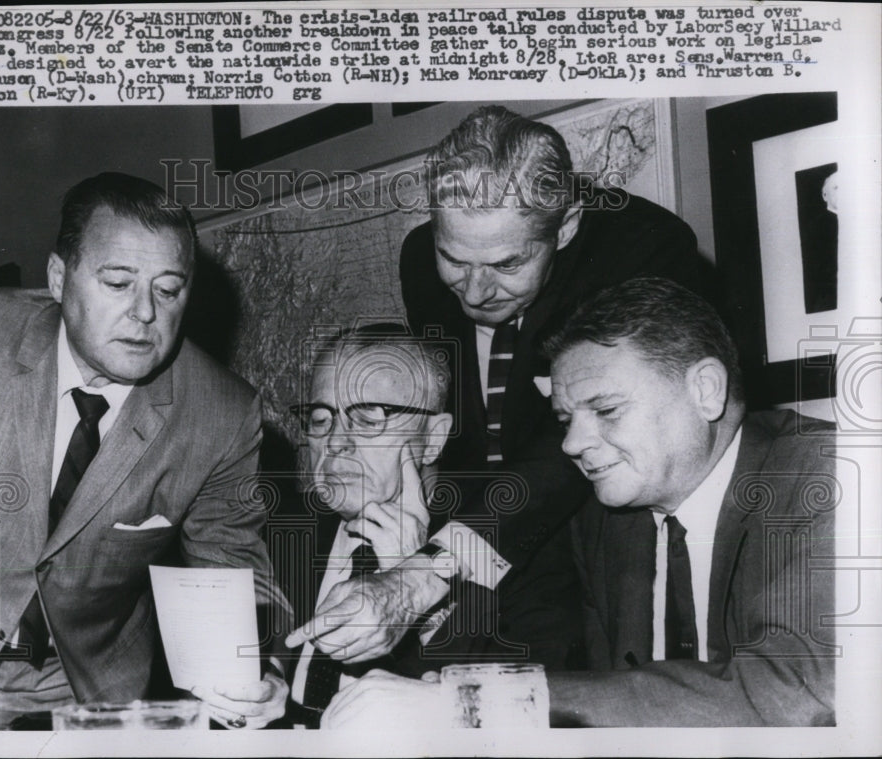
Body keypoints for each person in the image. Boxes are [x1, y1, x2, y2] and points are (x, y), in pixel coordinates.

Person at [288, 104, 718, 672]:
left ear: (565, 226)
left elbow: (579, 440)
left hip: (598, 518)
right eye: (454, 258)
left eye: (507, 263)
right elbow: (459, 426)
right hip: (474, 535)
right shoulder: (421, 260)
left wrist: (426, 572)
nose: (476, 291)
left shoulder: (641, 247)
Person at [319, 277, 835, 728]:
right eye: (565, 420)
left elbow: (795, 695)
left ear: (705, 389)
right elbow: (610, 698)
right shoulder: (605, 523)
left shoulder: (827, 476)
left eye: (605, 409)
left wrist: (466, 703)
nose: (571, 444)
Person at [0, 172, 290, 729]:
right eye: (118, 283)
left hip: (88, 698)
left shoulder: (222, 415)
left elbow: (235, 572)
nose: (146, 313)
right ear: (59, 277)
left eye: (168, 288)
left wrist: (263, 670)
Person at [282, 327, 456, 727]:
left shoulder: (488, 546)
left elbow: (506, 710)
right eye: (321, 418)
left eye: (367, 418)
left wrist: (419, 590)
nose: (336, 443)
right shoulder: (280, 536)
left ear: (433, 437)